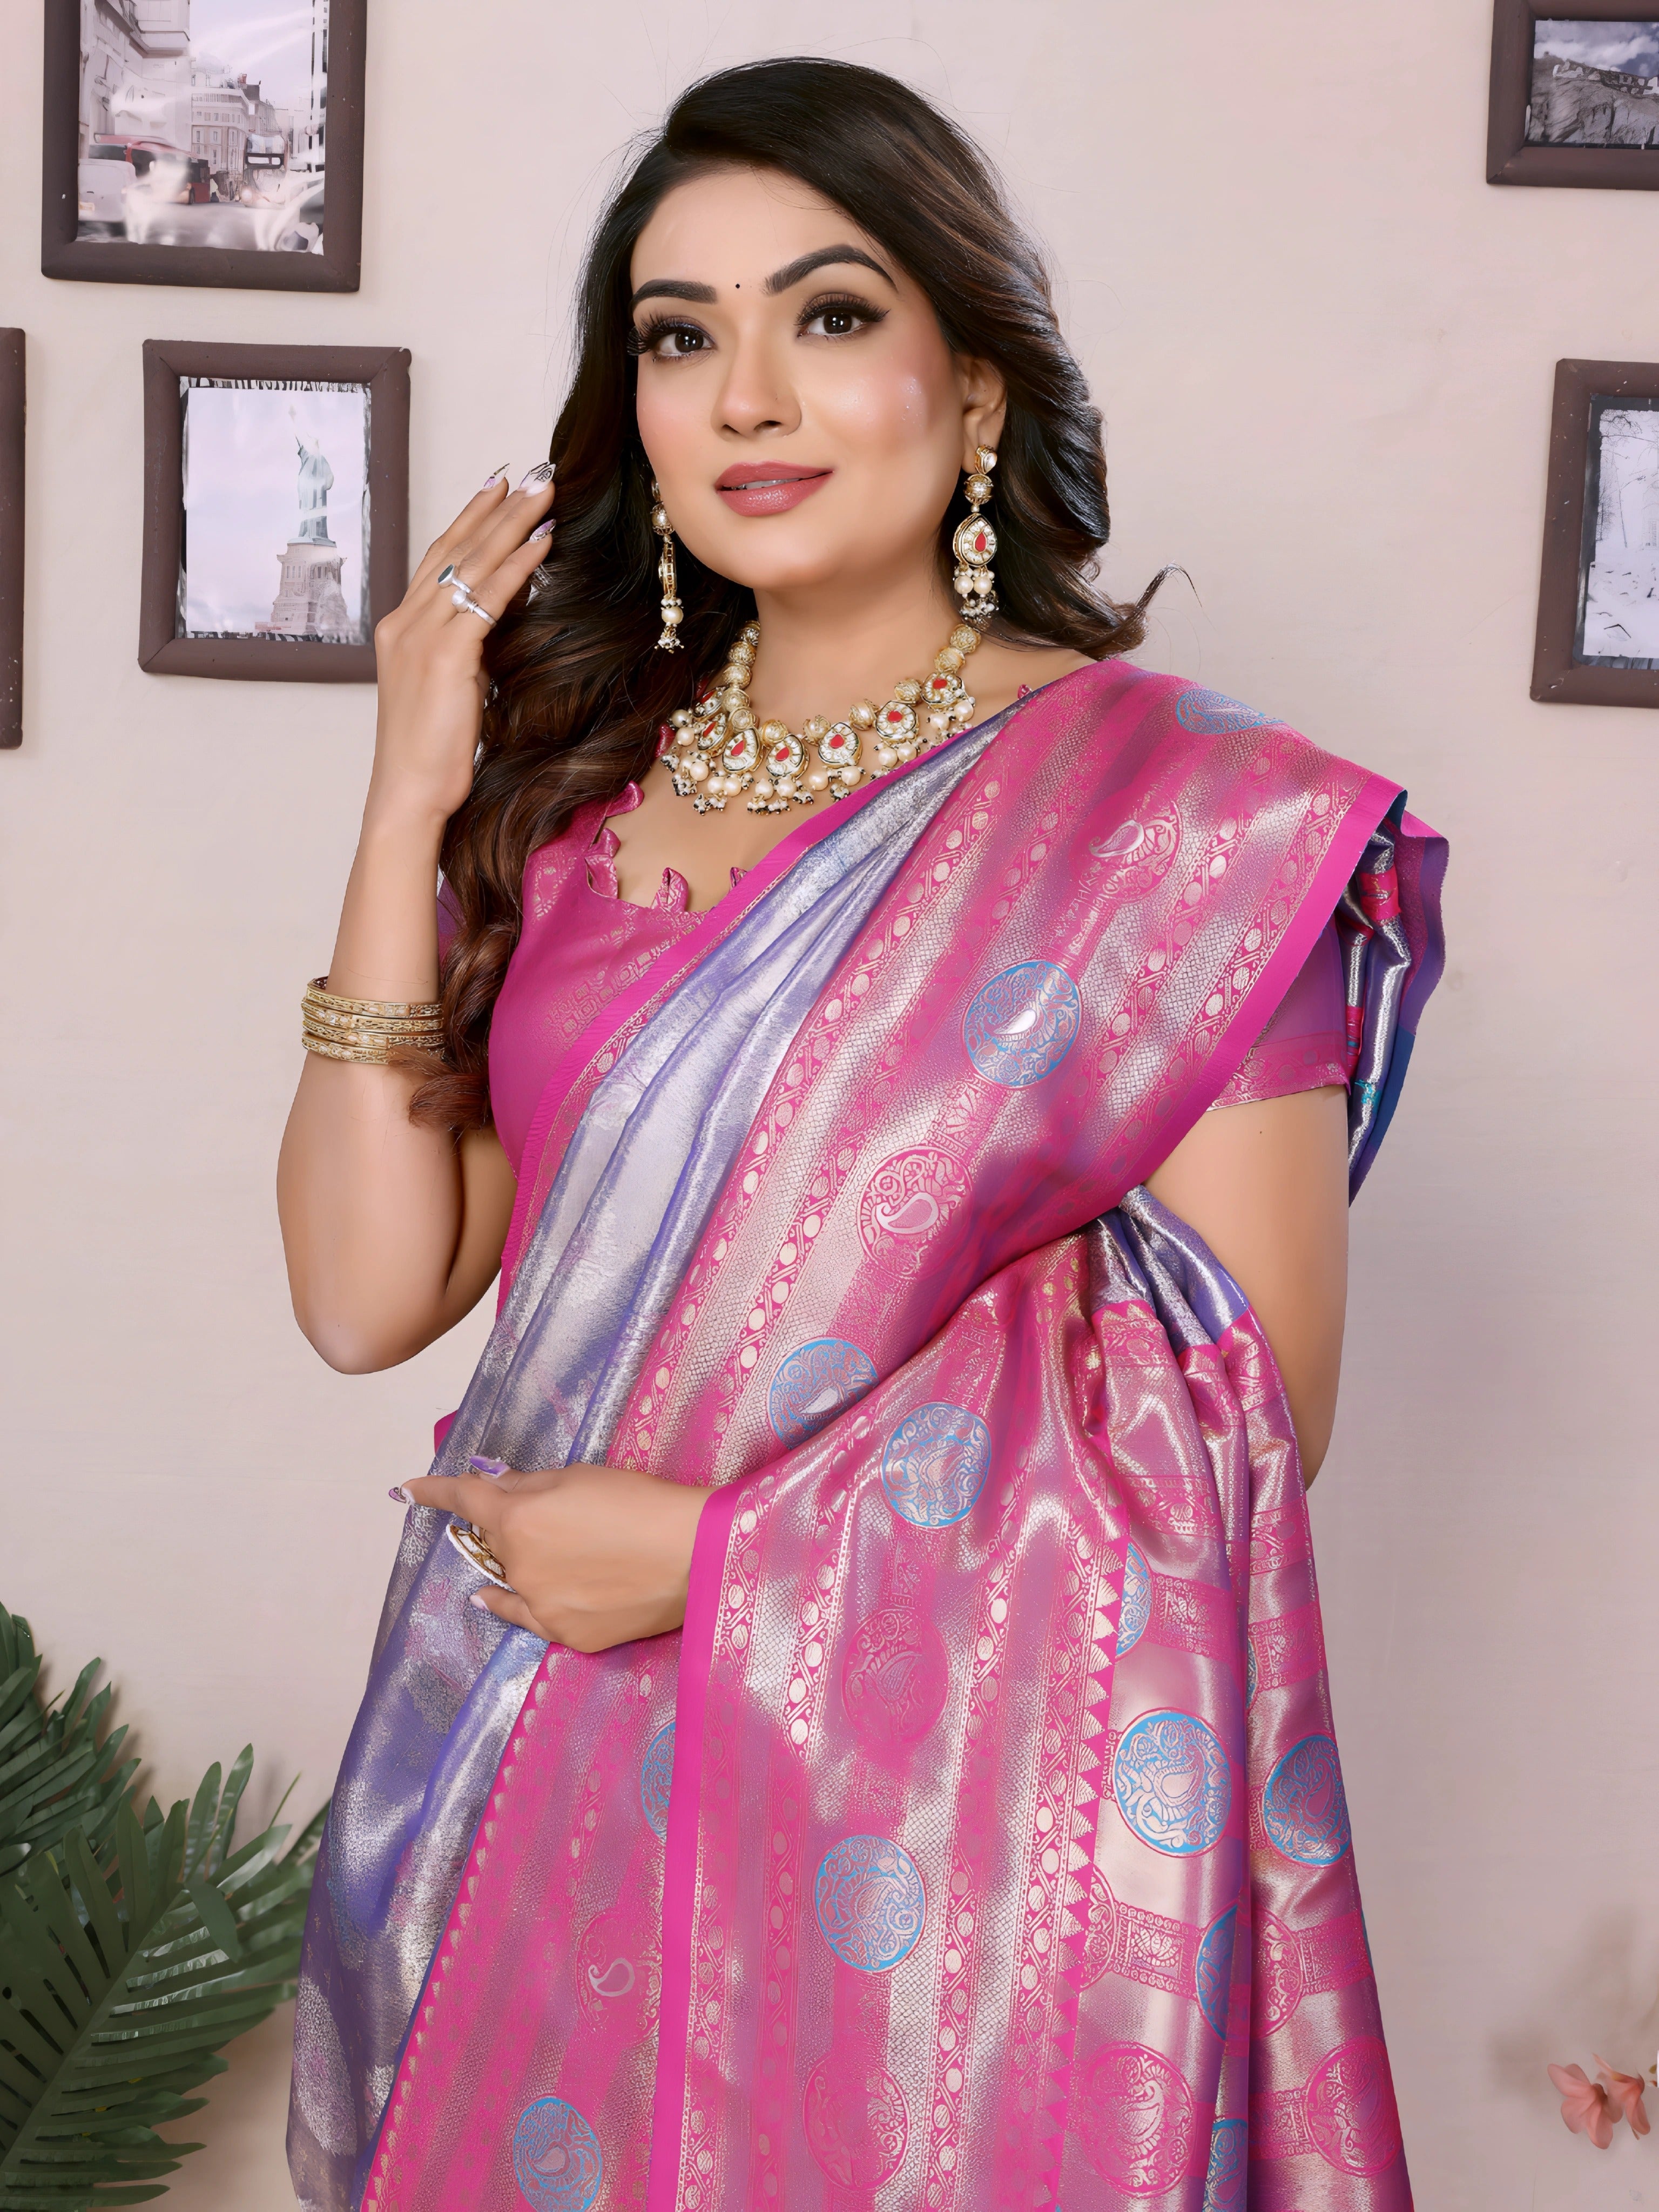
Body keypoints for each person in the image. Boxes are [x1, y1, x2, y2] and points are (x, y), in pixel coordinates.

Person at [279, 58, 1444, 2212]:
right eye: (677, 334)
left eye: (826, 315)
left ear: (976, 391)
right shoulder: (568, 787)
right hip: (506, 1780)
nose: (746, 398)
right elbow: (368, 1294)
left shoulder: (1176, 832)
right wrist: (401, 799)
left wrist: (718, 1567)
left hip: (929, 1901)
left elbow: (1240, 1424)